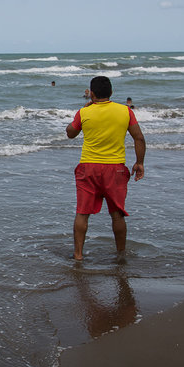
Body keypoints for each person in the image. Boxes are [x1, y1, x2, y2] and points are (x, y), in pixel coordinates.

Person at [65, 76, 145, 261]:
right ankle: (121, 255)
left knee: (82, 213)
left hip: (88, 168)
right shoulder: (125, 111)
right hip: (115, 169)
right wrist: (139, 162)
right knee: (117, 215)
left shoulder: (84, 112)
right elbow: (139, 138)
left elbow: (70, 133)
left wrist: (82, 112)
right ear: (111, 93)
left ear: (91, 93)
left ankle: (78, 256)